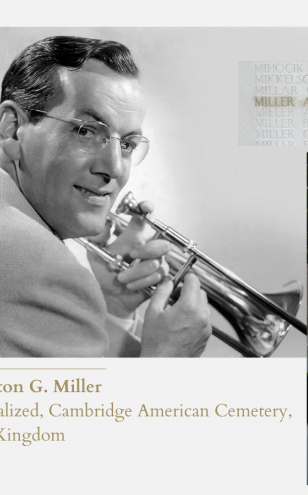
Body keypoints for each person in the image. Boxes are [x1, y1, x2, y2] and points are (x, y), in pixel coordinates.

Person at [0, 36, 211, 357]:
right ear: (12, 129)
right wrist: (167, 362)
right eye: (85, 130)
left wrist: (110, 307)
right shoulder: (47, 268)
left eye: (127, 144)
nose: (114, 168)